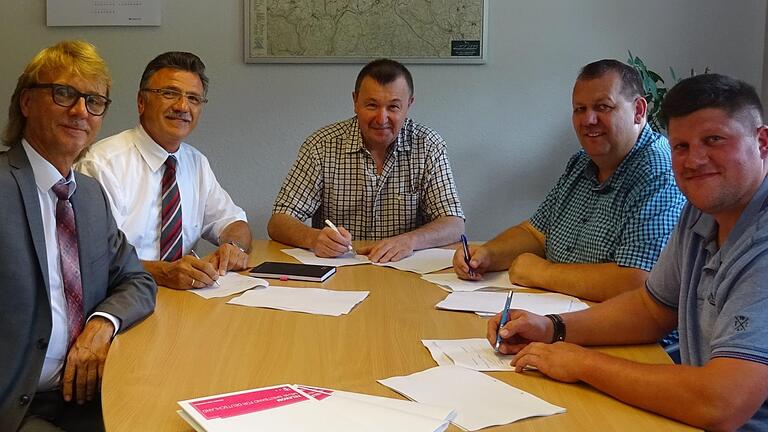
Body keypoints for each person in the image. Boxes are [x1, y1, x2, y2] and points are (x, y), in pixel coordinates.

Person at [489, 73, 768, 430]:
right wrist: (552, 328)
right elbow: (652, 308)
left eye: (713, 140)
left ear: (761, 142)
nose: (694, 160)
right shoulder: (701, 211)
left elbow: (719, 403)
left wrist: (584, 364)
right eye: (681, 146)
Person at [0, 40, 157, 432]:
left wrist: (101, 324)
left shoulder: (88, 196)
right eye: (64, 93)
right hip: (17, 405)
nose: (79, 111)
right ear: (26, 102)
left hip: (90, 391)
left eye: (94, 101)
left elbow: (136, 279)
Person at [454, 59, 685, 301]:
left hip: (626, 333)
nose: (589, 120)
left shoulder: (658, 170)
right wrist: (487, 255)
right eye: (580, 109)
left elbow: (638, 281)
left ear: (638, 111)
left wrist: (543, 272)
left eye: (603, 107)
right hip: (562, 315)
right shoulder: (581, 162)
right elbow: (536, 233)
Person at [77, 52, 251, 290]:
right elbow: (92, 258)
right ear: (141, 102)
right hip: (118, 297)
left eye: (193, 98)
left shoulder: (195, 163)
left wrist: (233, 248)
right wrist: (162, 273)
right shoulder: (102, 164)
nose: (182, 106)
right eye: (169, 93)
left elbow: (234, 222)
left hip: (183, 301)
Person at [268, 58, 465, 263]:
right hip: (339, 270)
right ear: (355, 101)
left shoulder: (428, 146)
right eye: (372, 105)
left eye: (393, 107)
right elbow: (279, 221)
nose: (381, 119)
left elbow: (453, 224)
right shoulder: (321, 146)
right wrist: (314, 238)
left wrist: (410, 241)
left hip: (406, 271)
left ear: (409, 105)